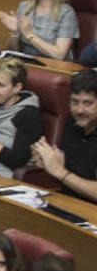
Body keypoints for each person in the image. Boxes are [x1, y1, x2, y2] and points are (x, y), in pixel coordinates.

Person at [33, 69, 97, 203]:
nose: (79, 110)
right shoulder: (71, 121)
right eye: (74, 102)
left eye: (87, 103)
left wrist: (60, 171)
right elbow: (67, 176)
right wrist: (47, 162)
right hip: (68, 201)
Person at [0, 0, 78, 61]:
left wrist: (30, 35)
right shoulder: (24, 7)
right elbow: (13, 52)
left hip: (52, 67)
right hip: (25, 65)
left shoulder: (66, 13)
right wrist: (14, 33)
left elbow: (59, 55)